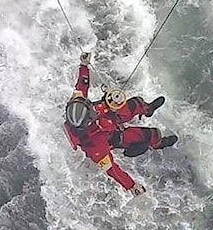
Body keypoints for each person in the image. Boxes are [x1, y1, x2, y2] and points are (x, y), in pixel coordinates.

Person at [63, 52, 178, 195]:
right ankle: (158, 143)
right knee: (149, 135)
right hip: (110, 135)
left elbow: (82, 85)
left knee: (134, 104)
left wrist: (84, 65)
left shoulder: (77, 104)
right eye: (91, 111)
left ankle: (147, 109)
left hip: (107, 115)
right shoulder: (95, 147)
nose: (92, 107)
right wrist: (131, 185)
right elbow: (112, 170)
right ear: (88, 121)